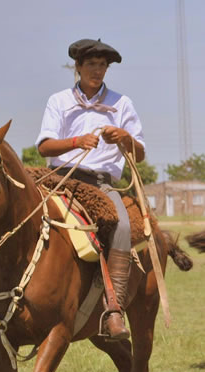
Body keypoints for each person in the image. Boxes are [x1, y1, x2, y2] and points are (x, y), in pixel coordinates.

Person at [35, 38, 145, 341]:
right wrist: (76, 141)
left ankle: (114, 309)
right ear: (78, 67)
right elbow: (45, 145)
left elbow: (140, 154)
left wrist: (124, 137)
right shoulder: (59, 101)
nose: (97, 71)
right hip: (59, 179)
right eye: (91, 65)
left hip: (98, 185)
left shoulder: (122, 104)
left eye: (102, 65)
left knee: (122, 225)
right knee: (14, 205)